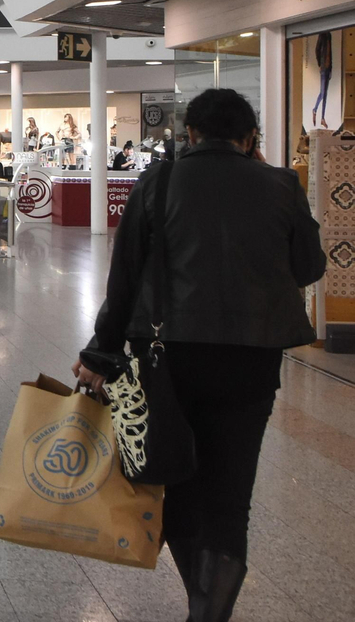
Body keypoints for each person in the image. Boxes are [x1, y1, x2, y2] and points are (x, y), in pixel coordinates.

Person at [74, 89, 324, 622]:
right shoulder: (282, 184)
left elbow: (127, 277)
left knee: (179, 482)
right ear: (250, 136)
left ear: (190, 135)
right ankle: (208, 612)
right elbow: (308, 267)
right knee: (231, 494)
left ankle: (202, 605)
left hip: (168, 359)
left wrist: (100, 354)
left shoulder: (158, 183)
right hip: (251, 362)